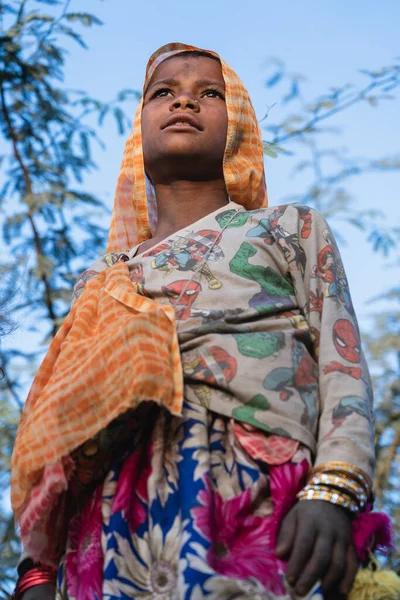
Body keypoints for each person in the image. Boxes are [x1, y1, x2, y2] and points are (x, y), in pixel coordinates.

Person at [11, 43, 390, 600]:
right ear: (139, 130)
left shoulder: (289, 229)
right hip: (111, 519)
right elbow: (59, 422)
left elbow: (343, 365)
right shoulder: (103, 279)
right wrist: (37, 570)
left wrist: (331, 491)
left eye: (209, 93)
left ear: (236, 124)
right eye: (162, 92)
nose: (184, 100)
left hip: (259, 489)